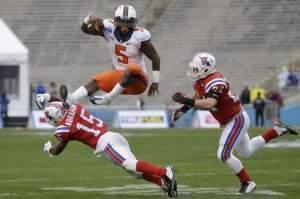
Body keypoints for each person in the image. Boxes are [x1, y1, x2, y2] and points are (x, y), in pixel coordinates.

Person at [171, 52, 298, 193]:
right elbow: (199, 95)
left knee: (223, 154)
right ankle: (277, 131)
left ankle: (247, 182)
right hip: (233, 119)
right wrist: (183, 108)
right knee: (246, 151)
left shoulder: (215, 81)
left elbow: (209, 103)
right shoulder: (201, 80)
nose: (193, 71)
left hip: (236, 119)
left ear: (206, 69)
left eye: (196, 68)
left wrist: (185, 100)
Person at [41, 99, 177, 197]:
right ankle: (163, 183)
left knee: (130, 165)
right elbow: (62, 103)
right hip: (112, 137)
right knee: (134, 172)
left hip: (105, 143)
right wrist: (48, 99)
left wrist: (49, 149)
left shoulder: (63, 129)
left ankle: (164, 171)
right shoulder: (74, 107)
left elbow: (57, 150)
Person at [36, 5, 160, 109]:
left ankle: (108, 98)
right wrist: (88, 18)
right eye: (122, 22)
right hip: (120, 77)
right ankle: (70, 100)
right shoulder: (107, 28)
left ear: (134, 23)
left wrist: (155, 82)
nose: (125, 26)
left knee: (132, 68)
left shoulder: (140, 36)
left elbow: (155, 57)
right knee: (96, 81)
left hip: (139, 81)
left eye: (128, 23)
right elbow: (85, 29)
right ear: (116, 20)